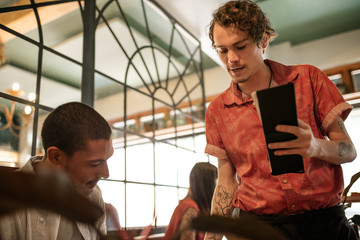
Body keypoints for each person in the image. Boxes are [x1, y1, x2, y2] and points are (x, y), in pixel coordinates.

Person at [204, 1, 358, 240]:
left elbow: (348, 151)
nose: (231, 59)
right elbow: (226, 181)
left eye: (240, 46)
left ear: (263, 41)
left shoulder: (309, 79)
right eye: (222, 50)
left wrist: (315, 146)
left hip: (325, 225)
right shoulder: (217, 110)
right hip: (258, 229)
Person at [0, 102, 113, 240]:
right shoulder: (8, 200)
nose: (106, 173)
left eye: (107, 159)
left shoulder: (94, 195)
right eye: (95, 163)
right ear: (56, 156)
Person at [164, 162, 218, 240]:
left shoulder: (190, 205)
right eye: (217, 179)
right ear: (208, 184)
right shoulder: (191, 208)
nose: (218, 185)